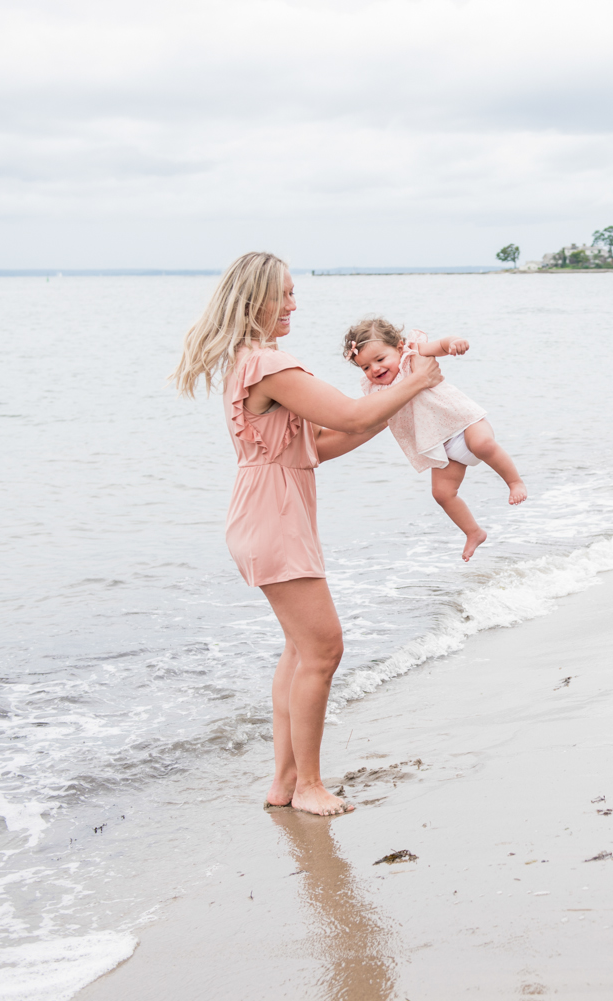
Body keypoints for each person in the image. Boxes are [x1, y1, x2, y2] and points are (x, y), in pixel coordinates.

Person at [171, 253, 443, 816]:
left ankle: (285, 783)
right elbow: (347, 416)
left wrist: (396, 400)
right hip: (272, 513)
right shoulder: (267, 364)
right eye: (286, 294)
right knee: (323, 648)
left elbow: (323, 442)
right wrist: (415, 381)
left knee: (299, 650)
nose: (295, 305)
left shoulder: (251, 363)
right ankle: (308, 787)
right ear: (256, 301)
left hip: (273, 506)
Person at [342, 318, 527, 561]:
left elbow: (439, 346)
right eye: (365, 367)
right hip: (441, 447)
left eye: (380, 359)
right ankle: (473, 532)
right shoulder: (376, 390)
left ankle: (514, 482)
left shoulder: (411, 355)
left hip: (464, 424)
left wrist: (453, 343)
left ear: (398, 347)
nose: (374, 370)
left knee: (482, 445)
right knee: (441, 494)